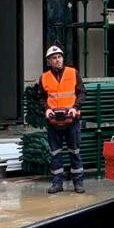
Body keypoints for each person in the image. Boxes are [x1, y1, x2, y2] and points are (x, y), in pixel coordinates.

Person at [35, 45, 85, 194]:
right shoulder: (44, 78)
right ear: (48, 61)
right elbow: (40, 97)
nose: (57, 60)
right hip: (53, 122)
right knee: (55, 153)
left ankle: (78, 183)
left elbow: (82, 93)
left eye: (59, 57)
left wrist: (75, 107)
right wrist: (47, 109)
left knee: (74, 152)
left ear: (63, 58)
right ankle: (57, 183)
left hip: (72, 120)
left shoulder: (73, 73)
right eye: (54, 58)